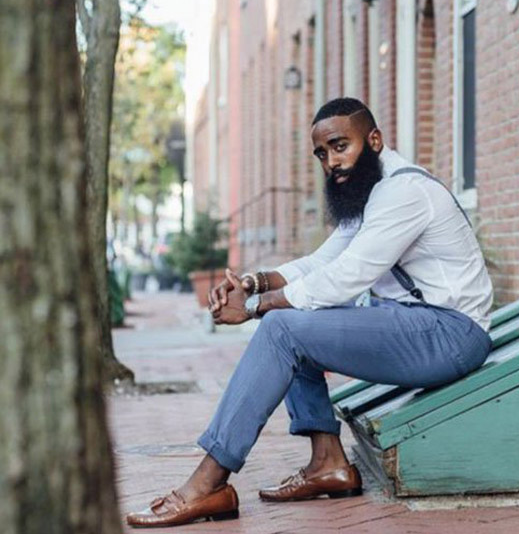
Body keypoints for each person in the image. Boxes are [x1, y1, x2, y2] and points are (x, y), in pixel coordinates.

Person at [126, 97, 493, 528]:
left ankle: (208, 482)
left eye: (341, 146)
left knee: (286, 326)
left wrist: (255, 308)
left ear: (374, 140)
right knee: (294, 321)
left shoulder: (403, 192)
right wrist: (253, 283)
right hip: (419, 325)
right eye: (322, 153)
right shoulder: (375, 191)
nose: (331, 162)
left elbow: (347, 276)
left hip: (450, 335)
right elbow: (322, 262)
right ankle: (328, 463)